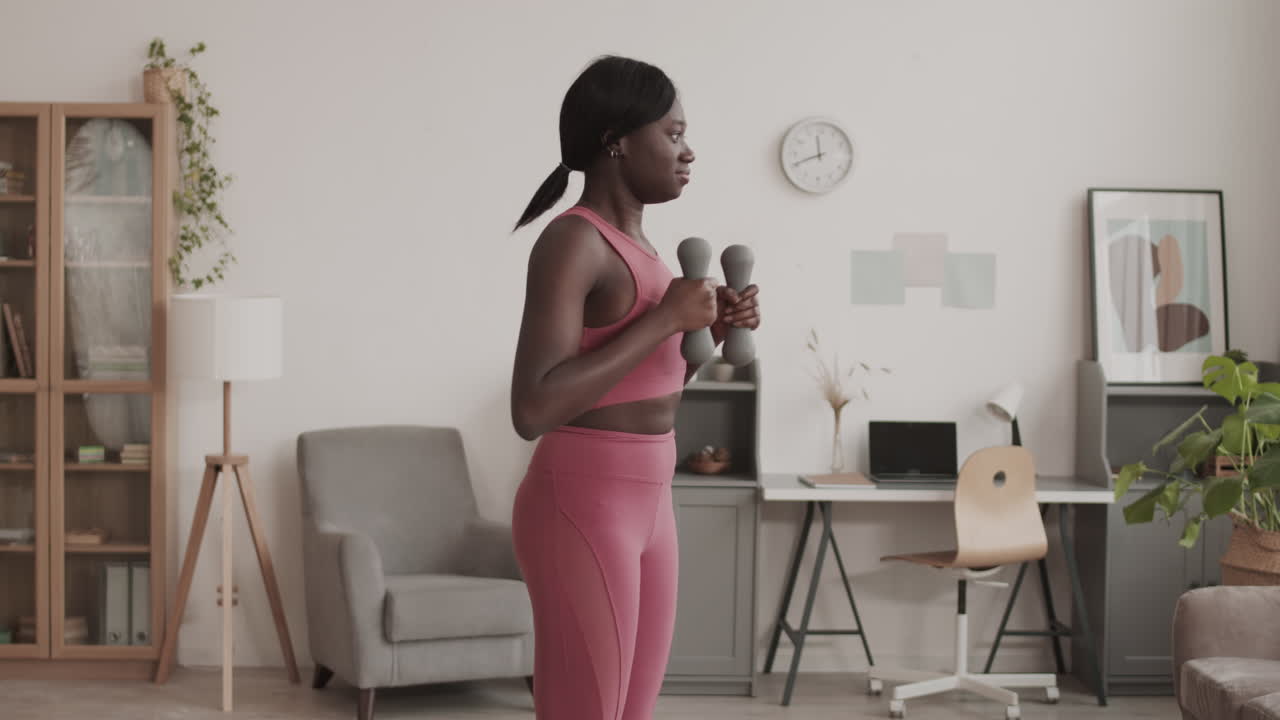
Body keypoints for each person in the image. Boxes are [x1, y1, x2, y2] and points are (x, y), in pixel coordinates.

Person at [508, 55, 761, 720]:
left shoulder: (647, 250)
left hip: (651, 498)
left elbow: (649, 386)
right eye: (674, 135)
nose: (689, 152)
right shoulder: (574, 241)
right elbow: (533, 408)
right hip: (582, 503)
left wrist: (699, 333)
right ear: (617, 141)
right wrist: (664, 320)